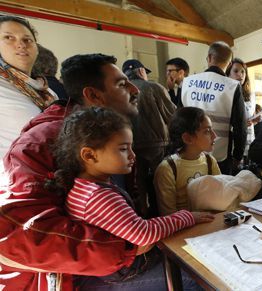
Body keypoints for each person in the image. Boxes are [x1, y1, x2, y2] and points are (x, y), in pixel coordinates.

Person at [0, 53, 145, 290]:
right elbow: (16, 233)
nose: (135, 89)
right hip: (78, 275)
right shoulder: (39, 143)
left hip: (113, 263)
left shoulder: (110, 134)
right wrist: (125, 246)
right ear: (93, 95)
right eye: (121, 84)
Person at [50, 107, 213, 289]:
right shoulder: (98, 196)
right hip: (115, 277)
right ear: (89, 155)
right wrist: (188, 217)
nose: (133, 156)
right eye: (123, 149)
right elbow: (144, 234)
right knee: (197, 278)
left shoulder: (83, 185)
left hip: (108, 271)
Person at [181, 41, 247, 175]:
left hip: (189, 152)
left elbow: (177, 119)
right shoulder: (232, 86)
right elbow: (240, 126)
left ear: (209, 58)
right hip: (219, 155)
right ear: (229, 63)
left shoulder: (187, 82)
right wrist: (238, 156)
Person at [122, 58, 176, 217]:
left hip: (129, 146)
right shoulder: (154, 87)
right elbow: (172, 115)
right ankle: (164, 216)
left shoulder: (120, 91)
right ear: (140, 71)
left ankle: (143, 216)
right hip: (157, 144)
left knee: (138, 184)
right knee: (161, 182)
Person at [0, 16, 56, 166]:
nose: (20, 45)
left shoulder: (47, 92)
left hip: (48, 178)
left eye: (27, 39)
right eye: (9, 37)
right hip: (13, 182)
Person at [154, 107, 221, 215]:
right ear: (187, 138)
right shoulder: (167, 169)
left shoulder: (210, 161)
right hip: (183, 228)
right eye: (207, 131)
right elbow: (169, 215)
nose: (215, 136)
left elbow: (220, 195)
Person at [226, 58, 257, 164]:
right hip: (234, 144)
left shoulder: (251, 94)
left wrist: (257, 118)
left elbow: (251, 115)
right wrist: (241, 123)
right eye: (235, 71)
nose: (240, 74)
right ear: (228, 74)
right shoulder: (226, 93)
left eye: (243, 71)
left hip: (249, 140)